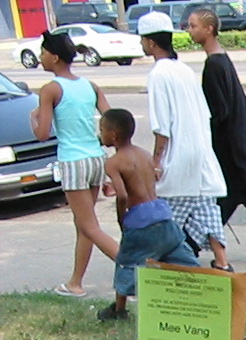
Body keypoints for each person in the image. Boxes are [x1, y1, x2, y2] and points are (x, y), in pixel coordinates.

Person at [187, 7, 246, 266]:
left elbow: (218, 112)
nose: (189, 30)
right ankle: (189, 246)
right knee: (227, 198)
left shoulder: (214, 65)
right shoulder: (221, 60)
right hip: (237, 142)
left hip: (231, 147)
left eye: (193, 26)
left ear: (209, 29)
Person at [137, 11, 233, 271]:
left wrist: (156, 161)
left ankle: (161, 268)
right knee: (206, 210)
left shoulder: (158, 74)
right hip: (201, 152)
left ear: (151, 43)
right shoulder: (185, 70)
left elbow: (161, 125)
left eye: (143, 40)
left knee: (167, 218)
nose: (142, 44)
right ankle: (222, 263)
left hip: (178, 157)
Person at [29, 30, 119, 299]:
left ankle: (134, 268)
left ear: (55, 57)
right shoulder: (90, 86)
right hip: (95, 158)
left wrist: (34, 118)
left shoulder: (50, 89)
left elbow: (42, 133)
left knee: (88, 226)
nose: (41, 57)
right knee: (84, 224)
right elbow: (112, 119)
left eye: (43, 52)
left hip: (72, 161)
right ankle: (75, 282)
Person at [96, 108, 199, 322]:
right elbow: (143, 183)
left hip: (141, 223)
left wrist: (122, 218)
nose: (100, 134)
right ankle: (201, 295)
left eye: (102, 129)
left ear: (113, 135)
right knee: (180, 259)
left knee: (127, 262)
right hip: (163, 216)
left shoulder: (114, 162)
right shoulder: (144, 154)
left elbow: (123, 195)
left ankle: (119, 310)